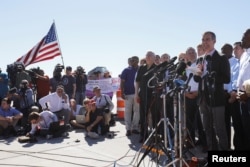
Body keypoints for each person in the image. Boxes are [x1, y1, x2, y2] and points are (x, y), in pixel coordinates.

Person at [194, 31, 230, 151]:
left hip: (216, 99)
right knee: (207, 129)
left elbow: (226, 78)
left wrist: (208, 75)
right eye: (203, 40)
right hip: (203, 99)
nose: (205, 42)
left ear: (214, 41)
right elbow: (196, 79)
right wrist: (198, 74)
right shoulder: (200, 60)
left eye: (208, 39)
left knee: (220, 129)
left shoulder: (221, 57)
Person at [135, 51, 156, 143]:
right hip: (143, 94)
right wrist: (136, 94)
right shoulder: (141, 68)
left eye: (150, 55)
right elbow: (137, 81)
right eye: (147, 55)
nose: (148, 57)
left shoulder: (157, 68)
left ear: (154, 58)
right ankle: (143, 135)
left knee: (155, 115)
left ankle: (155, 135)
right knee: (143, 115)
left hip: (154, 95)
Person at [236, 29, 250, 150]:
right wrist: (239, 91)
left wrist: (248, 93)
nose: (242, 39)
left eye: (244, 36)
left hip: (248, 96)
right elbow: (241, 75)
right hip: (243, 98)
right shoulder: (244, 55)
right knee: (246, 131)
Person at [120, 56, 140, 136]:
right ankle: (128, 129)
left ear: (137, 61)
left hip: (137, 94)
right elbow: (122, 82)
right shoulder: (126, 70)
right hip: (128, 94)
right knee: (128, 111)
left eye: (134, 60)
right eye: (131, 60)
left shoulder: (140, 70)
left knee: (137, 111)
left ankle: (135, 128)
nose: (132, 61)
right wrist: (122, 92)